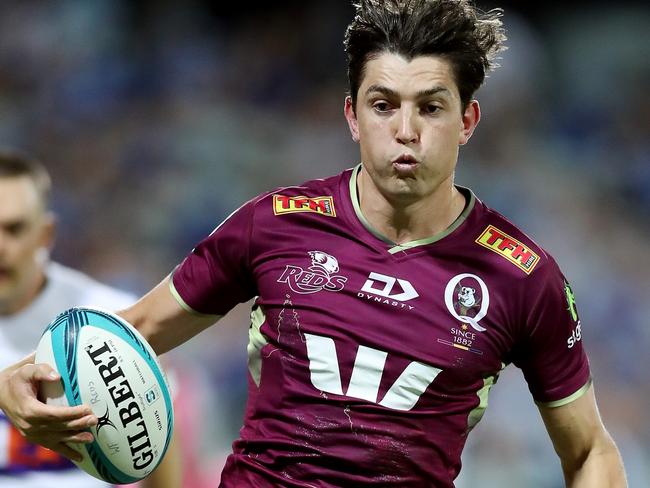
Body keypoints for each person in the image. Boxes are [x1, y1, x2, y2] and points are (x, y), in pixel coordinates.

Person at [0, 1, 627, 486]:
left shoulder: (521, 277)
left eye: (431, 108)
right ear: (352, 115)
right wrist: (18, 383)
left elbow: (590, 449)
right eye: (384, 105)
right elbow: (125, 334)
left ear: (468, 120)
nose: (405, 132)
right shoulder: (274, 223)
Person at [0, 151, 182, 488]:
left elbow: (161, 463)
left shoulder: (115, 322)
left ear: (45, 234)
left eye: (14, 229)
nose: (0, 246)